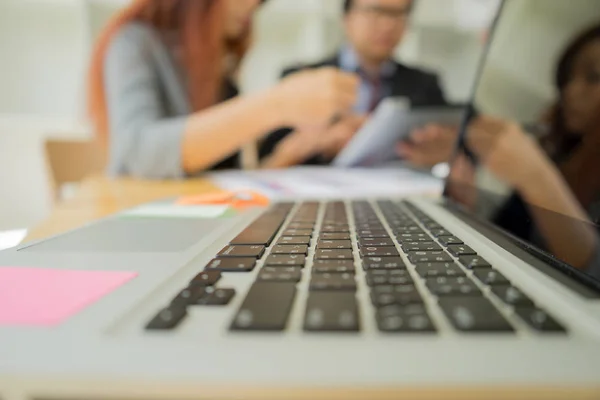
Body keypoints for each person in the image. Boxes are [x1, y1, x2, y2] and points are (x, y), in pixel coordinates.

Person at [88, 0, 359, 179]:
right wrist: (278, 104)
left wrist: (291, 153)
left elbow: (224, 179)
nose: (254, 6)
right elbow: (140, 152)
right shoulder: (135, 41)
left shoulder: (218, 67)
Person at [452, 23, 600, 273]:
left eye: (594, 77)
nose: (570, 91)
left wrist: (534, 175)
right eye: (568, 76)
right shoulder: (563, 150)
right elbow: (514, 239)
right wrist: (469, 206)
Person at [260, 0, 449, 168]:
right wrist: (317, 141)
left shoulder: (425, 84)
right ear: (346, 18)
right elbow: (267, 161)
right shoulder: (302, 78)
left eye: (399, 14)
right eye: (375, 11)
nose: (387, 24)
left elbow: (452, 154)